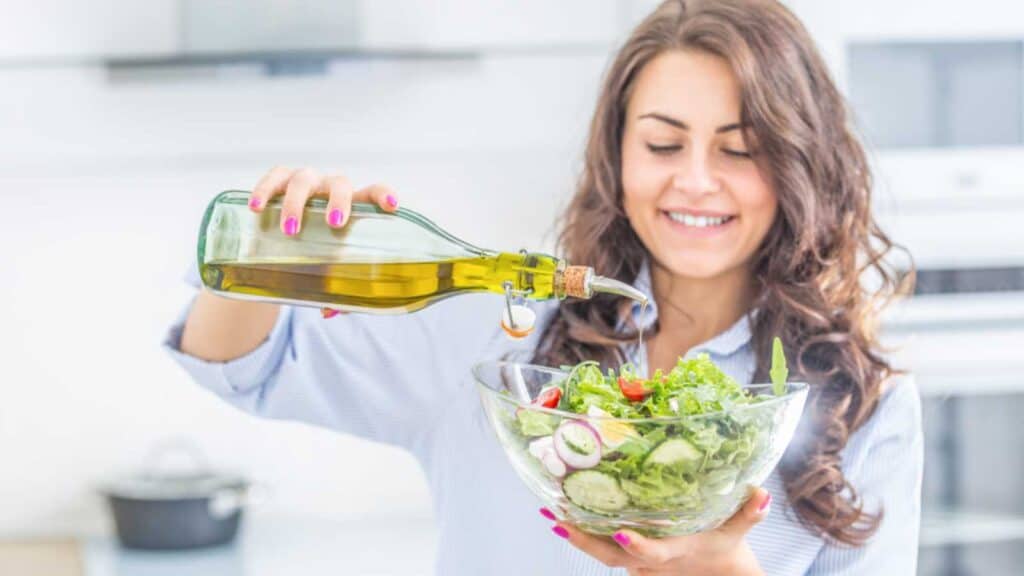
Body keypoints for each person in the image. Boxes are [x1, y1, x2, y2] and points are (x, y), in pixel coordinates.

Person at [165, 0, 922, 573]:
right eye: (662, 143)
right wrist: (269, 251)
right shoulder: (502, 332)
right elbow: (241, 365)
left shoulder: (865, 404)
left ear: (799, 167)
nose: (695, 180)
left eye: (741, 150)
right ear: (617, 157)